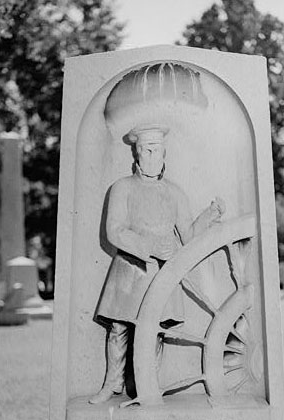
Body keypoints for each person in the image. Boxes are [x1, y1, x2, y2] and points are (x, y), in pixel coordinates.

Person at [90, 124, 224, 404]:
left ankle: (146, 387)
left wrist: (208, 217)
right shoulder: (121, 188)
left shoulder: (175, 193)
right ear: (137, 154)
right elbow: (114, 231)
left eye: (157, 150)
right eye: (147, 150)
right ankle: (112, 384)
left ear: (164, 154)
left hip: (161, 274)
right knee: (119, 329)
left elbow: (188, 237)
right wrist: (149, 246)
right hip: (129, 269)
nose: (152, 156)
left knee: (154, 332)